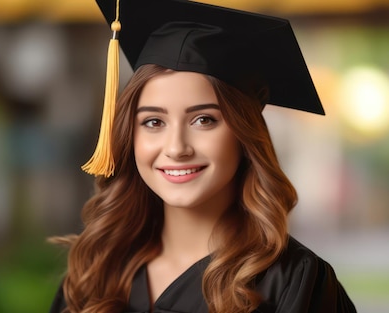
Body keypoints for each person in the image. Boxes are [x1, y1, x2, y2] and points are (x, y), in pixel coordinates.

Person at [49, 0, 357, 312]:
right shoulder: (94, 274)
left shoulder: (293, 280)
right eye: (153, 122)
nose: (176, 147)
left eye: (203, 120)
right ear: (130, 135)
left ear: (243, 135)